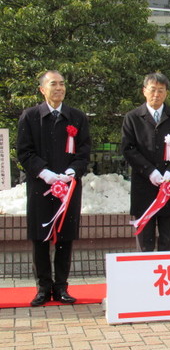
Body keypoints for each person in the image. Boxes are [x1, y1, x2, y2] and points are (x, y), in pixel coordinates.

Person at [17, 70, 91, 307]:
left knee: (65, 237)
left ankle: (61, 287)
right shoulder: (30, 117)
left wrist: (71, 172)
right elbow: (24, 152)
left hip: (68, 188)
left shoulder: (77, 117)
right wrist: (45, 174)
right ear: (42, 89)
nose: (59, 88)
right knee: (40, 237)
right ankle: (43, 287)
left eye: (62, 84)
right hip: (41, 187)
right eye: (53, 84)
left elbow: (84, 151)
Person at [121, 73, 170, 252]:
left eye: (161, 90)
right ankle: (145, 278)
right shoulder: (133, 118)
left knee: (168, 241)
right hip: (144, 186)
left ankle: (165, 278)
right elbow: (128, 149)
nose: (156, 94)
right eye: (153, 90)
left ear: (166, 93)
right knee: (145, 241)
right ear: (144, 91)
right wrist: (150, 171)